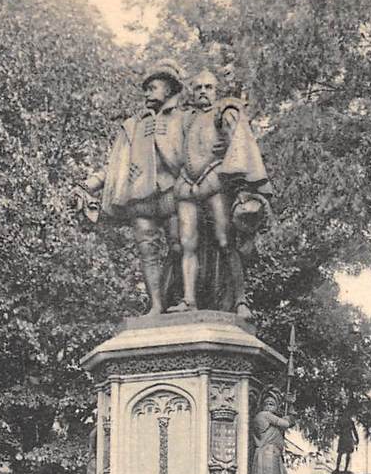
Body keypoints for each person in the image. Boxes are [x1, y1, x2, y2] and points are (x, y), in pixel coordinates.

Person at [75, 60, 185, 315]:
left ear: (168, 89)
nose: (147, 93)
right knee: (147, 250)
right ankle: (156, 305)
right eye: (145, 89)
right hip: (140, 195)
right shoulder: (133, 125)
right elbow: (115, 165)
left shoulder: (183, 119)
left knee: (180, 245)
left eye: (153, 87)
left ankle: (179, 298)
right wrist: (89, 184)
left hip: (172, 191)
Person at [169, 69, 272, 319]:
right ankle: (189, 299)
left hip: (214, 179)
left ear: (216, 90)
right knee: (187, 244)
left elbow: (237, 141)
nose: (203, 91)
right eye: (198, 88)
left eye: (208, 87)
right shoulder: (185, 118)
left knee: (225, 241)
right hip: (185, 184)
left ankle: (240, 301)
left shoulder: (223, 111)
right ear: (192, 92)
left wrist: (228, 143)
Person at [251, 387, 297, 474]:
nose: (269, 406)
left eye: (272, 404)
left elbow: (290, 422)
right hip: (268, 454)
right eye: (267, 403)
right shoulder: (264, 415)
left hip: (276, 456)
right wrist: (289, 408)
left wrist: (290, 406)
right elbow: (286, 423)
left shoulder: (271, 417)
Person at [335, 408, 360, 473]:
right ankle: (340, 468)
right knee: (343, 454)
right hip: (347, 438)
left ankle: (341, 469)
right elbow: (354, 431)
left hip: (346, 438)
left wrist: (357, 439)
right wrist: (357, 439)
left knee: (342, 453)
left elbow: (354, 431)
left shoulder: (345, 421)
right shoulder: (346, 421)